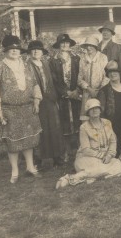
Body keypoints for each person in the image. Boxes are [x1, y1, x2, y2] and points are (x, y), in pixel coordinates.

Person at [0, 35, 43, 183]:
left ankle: (30, 167)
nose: (14, 51)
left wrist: (37, 101)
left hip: (28, 108)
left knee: (29, 139)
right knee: (13, 143)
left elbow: (35, 84)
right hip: (9, 110)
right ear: (5, 51)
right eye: (11, 49)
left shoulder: (26, 65)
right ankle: (15, 172)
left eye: (17, 49)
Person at [55, 98, 121, 189]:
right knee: (98, 167)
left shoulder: (107, 123)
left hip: (105, 157)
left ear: (100, 110)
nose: (94, 110)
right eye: (91, 109)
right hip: (87, 157)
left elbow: (113, 141)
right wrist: (102, 156)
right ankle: (71, 178)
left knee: (118, 165)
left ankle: (82, 176)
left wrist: (109, 155)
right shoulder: (84, 127)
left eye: (96, 108)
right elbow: (86, 149)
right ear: (88, 112)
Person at [27, 40, 64, 167]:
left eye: (38, 49)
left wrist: (55, 97)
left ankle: (57, 156)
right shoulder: (26, 66)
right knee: (38, 130)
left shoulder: (46, 64)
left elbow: (53, 81)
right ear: (30, 52)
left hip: (50, 100)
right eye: (33, 49)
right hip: (35, 101)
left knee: (54, 128)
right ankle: (38, 159)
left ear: (42, 52)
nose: (36, 51)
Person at [50, 33, 81, 163]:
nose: (64, 45)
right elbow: (54, 80)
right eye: (62, 43)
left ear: (70, 45)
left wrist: (76, 91)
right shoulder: (53, 60)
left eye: (67, 43)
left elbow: (81, 74)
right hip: (62, 97)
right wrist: (66, 92)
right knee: (65, 124)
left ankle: (80, 151)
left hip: (76, 94)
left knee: (78, 122)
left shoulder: (76, 58)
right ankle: (66, 152)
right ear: (58, 45)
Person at [97, 61, 121, 156]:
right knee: (117, 153)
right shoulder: (103, 91)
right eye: (110, 72)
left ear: (119, 74)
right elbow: (100, 113)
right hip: (113, 127)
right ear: (108, 75)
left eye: (115, 72)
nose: (113, 74)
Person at [77, 37, 109, 117]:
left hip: (100, 92)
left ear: (96, 46)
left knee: (99, 115)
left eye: (91, 45)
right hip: (87, 92)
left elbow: (107, 76)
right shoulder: (83, 58)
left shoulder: (103, 57)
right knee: (87, 116)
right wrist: (89, 89)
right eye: (87, 45)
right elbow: (80, 78)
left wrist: (99, 90)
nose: (88, 47)